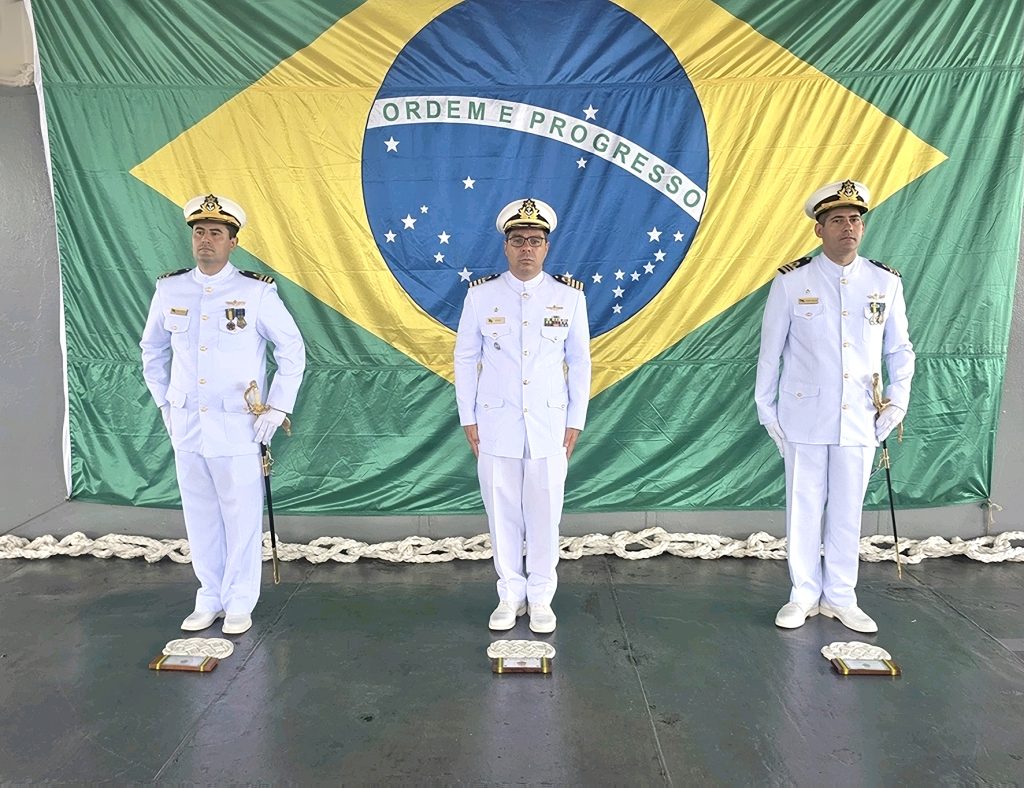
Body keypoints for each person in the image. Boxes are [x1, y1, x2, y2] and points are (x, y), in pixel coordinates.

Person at [140, 194, 305, 636]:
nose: (205, 240)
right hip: (187, 423)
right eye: (199, 232)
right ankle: (209, 596)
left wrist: (278, 406)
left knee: (241, 516)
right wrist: (165, 403)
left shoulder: (255, 291)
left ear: (233, 242)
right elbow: (151, 351)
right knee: (200, 516)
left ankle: (238, 601)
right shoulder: (170, 289)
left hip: (238, 424)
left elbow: (292, 349)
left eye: (216, 233)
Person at [755, 180, 915, 634]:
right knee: (804, 507)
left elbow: (899, 349)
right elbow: (770, 353)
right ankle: (803, 594)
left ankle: (841, 597)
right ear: (819, 230)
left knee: (847, 510)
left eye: (855, 219)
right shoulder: (793, 282)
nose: (849, 227)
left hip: (862, 415)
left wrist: (898, 402)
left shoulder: (884, 282)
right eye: (838, 220)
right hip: (803, 415)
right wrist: (767, 410)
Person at [454, 198, 591, 633]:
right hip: (495, 424)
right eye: (517, 240)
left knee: (546, 515)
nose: (526, 248)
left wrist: (576, 420)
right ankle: (510, 594)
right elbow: (465, 357)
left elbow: (580, 362)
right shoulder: (481, 296)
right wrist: (468, 416)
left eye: (534, 240)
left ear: (547, 246)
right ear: (506, 247)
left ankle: (541, 597)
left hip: (549, 425)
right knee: (502, 513)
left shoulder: (568, 297)